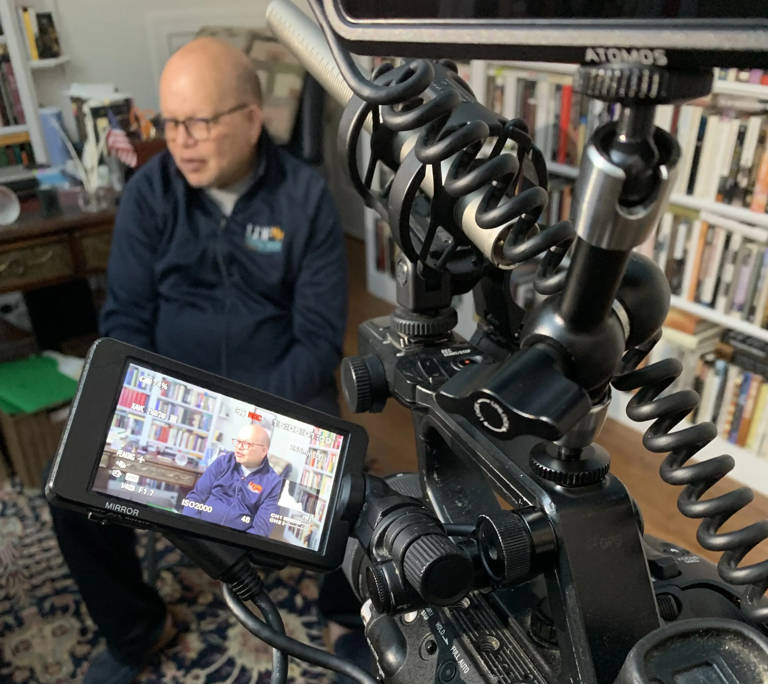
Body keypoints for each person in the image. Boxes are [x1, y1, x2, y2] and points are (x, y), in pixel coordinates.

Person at [47, 36, 348, 684]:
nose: (180, 140)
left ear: (250, 118)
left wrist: (248, 423)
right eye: (170, 123)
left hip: (280, 393)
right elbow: (124, 322)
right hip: (170, 395)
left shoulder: (306, 198)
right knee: (69, 488)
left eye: (198, 123)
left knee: (355, 488)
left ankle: (343, 617)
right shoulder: (149, 194)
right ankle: (137, 627)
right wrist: (158, 405)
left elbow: (320, 339)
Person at [182, 423, 282, 536]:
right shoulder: (222, 462)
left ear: (263, 451)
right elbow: (196, 498)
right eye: (238, 442)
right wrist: (192, 527)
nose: (239, 447)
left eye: (247, 444)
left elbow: (261, 530)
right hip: (199, 531)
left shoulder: (273, 483)